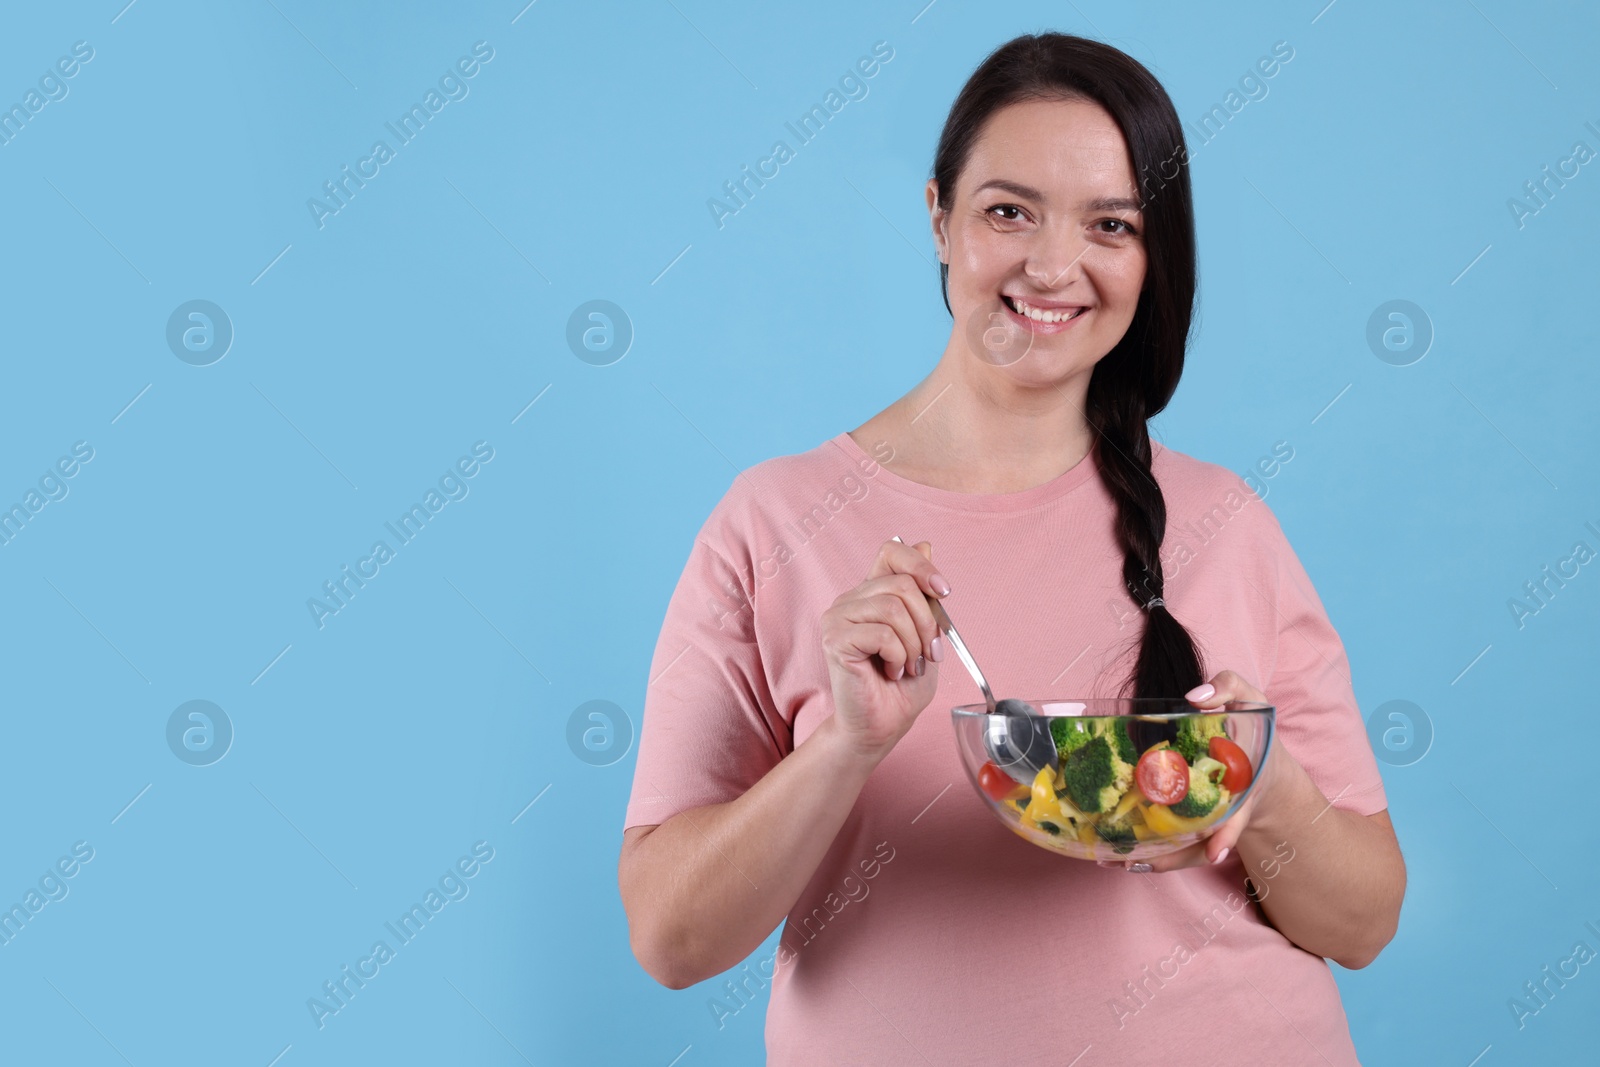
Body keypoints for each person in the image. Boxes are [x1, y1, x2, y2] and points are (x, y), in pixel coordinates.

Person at [617, 32, 1405, 1065]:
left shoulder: (1226, 522)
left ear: (1153, 254)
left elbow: (1360, 924)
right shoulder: (775, 521)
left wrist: (1261, 782)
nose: (1051, 264)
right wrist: (843, 749)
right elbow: (671, 938)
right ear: (939, 216)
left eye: (1110, 224)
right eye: (1008, 211)